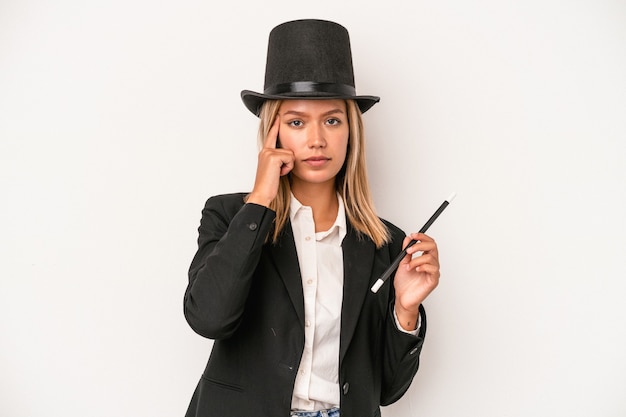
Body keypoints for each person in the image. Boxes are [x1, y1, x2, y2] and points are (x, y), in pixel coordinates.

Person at [183, 19, 440, 417]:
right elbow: (208, 318)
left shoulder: (384, 242)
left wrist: (404, 311)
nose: (317, 140)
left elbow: (387, 390)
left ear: (350, 131)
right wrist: (261, 200)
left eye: (332, 120)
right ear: (274, 132)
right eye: (297, 122)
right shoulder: (231, 215)